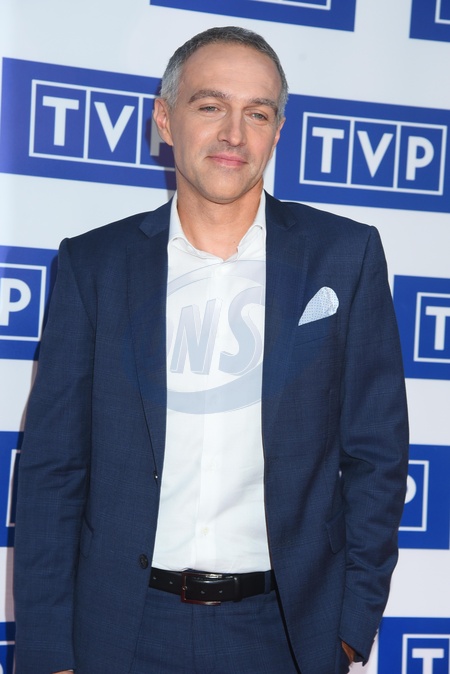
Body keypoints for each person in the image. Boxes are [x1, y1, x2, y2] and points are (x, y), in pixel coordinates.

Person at [13, 26, 409, 674]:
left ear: (278, 131)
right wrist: (50, 651)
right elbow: (53, 470)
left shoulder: (344, 256)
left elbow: (378, 455)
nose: (234, 134)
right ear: (165, 119)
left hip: (287, 635)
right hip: (119, 632)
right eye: (210, 106)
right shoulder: (95, 266)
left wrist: (348, 627)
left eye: (257, 113)